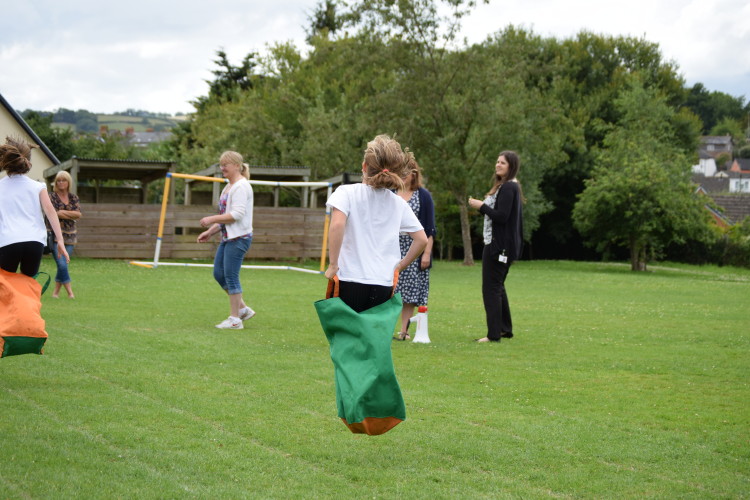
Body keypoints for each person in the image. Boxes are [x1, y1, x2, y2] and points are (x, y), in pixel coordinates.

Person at [325, 135, 428, 312]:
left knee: (348, 336)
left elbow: (336, 225)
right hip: (383, 283)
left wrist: (333, 264)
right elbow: (422, 239)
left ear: (364, 167)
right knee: (372, 337)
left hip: (349, 279)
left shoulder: (346, 193)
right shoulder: (398, 203)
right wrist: (401, 266)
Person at [468, 150, 524, 343]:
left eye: (503, 163)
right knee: (498, 287)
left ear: (511, 167)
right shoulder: (507, 187)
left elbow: (502, 216)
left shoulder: (509, 187)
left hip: (498, 246)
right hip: (500, 245)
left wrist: (480, 206)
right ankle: (504, 329)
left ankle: (493, 335)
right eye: (497, 161)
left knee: (491, 288)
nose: (498, 165)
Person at [197, 151, 255, 330]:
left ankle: (235, 320)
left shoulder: (241, 187)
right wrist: (211, 232)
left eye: (226, 165)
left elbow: (236, 215)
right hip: (228, 237)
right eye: (221, 164)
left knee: (231, 277)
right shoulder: (228, 186)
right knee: (219, 274)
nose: (222, 168)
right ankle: (243, 309)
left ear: (237, 166)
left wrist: (211, 219)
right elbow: (225, 216)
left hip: (239, 239)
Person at [0, 136, 69, 277]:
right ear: (27, 160)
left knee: (6, 286)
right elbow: (51, 212)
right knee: (28, 286)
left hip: (8, 241)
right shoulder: (38, 186)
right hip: (34, 242)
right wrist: (60, 240)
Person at [393, 152, 436, 340]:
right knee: (390, 289)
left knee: (409, 293)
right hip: (393, 246)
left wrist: (426, 253)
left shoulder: (424, 196)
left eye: (406, 172)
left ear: (414, 173)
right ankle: (384, 328)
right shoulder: (391, 192)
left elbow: (430, 228)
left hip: (415, 247)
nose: (402, 176)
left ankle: (404, 331)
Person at [47, 171, 82, 298]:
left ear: (68, 182)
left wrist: (61, 212)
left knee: (63, 265)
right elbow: (53, 213)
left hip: (71, 236)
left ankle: (55, 293)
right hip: (56, 235)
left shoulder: (74, 197)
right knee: (61, 264)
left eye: (63, 180)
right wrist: (69, 213)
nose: (61, 182)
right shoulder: (51, 197)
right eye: (58, 180)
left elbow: (78, 214)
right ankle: (70, 293)